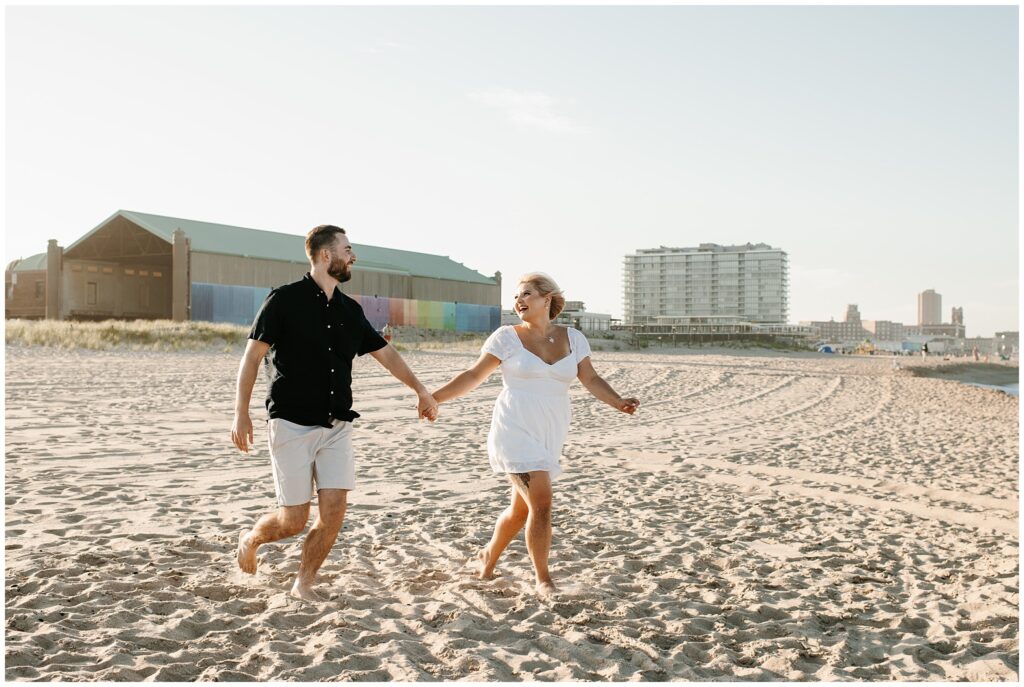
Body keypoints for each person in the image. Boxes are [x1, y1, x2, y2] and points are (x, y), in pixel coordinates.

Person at [231, 224, 438, 602]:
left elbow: (385, 353)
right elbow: (252, 356)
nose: (352, 256)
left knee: (334, 512)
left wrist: (420, 389)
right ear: (326, 255)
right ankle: (251, 538)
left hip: (338, 425)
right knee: (292, 520)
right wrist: (240, 413)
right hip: (290, 423)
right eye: (347, 249)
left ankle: (303, 583)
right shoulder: (283, 300)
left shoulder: (350, 309)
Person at [431, 272, 639, 597]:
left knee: (521, 510)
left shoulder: (574, 338)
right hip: (514, 427)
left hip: (550, 430)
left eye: (526, 294)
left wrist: (617, 401)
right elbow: (474, 375)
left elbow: (591, 378)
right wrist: (435, 398)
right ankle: (544, 579)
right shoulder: (506, 337)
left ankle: (488, 557)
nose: (519, 301)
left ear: (547, 298)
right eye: (516, 297)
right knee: (542, 502)